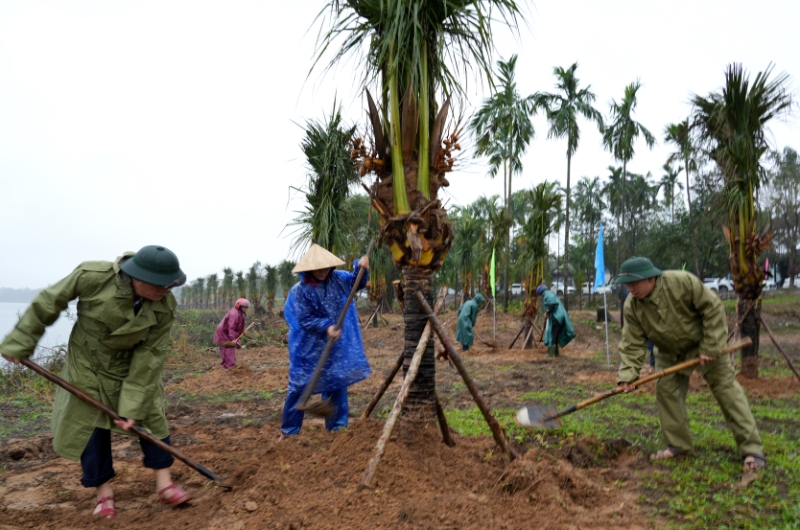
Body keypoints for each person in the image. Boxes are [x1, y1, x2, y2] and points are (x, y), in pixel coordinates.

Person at [0, 246, 192, 519]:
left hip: (130, 367)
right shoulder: (93, 276)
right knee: (89, 426)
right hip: (88, 363)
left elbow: (150, 356)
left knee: (151, 415)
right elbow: (49, 301)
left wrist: (132, 406)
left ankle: (165, 484)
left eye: (170, 285)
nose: (166, 290)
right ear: (138, 277)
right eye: (161, 285)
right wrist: (20, 341)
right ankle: (103, 493)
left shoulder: (165, 306)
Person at [615, 257, 765, 470]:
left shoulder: (682, 282)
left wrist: (710, 346)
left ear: (651, 278)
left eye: (634, 283)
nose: (630, 289)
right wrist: (627, 377)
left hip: (704, 344)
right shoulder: (632, 306)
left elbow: (712, 308)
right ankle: (679, 447)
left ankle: (752, 450)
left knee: (727, 391)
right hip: (669, 352)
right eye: (627, 284)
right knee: (667, 392)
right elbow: (631, 342)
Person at [279, 244, 372, 440]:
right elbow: (303, 318)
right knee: (299, 387)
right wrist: (326, 326)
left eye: (325, 267)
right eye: (317, 268)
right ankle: (289, 432)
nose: (322, 272)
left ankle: (337, 428)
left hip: (334, 346)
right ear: (309, 269)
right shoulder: (300, 290)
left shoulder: (339, 280)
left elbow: (357, 282)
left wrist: (361, 267)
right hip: (308, 347)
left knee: (336, 382)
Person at [536, 284, 575, 357]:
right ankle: (556, 353)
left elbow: (552, 304)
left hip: (557, 316)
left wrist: (547, 312)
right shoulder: (550, 293)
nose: (541, 297)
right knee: (555, 334)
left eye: (540, 295)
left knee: (552, 334)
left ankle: (551, 353)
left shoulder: (547, 294)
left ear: (541, 292)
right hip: (560, 316)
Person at [214, 298, 250, 368]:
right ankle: (230, 367)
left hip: (225, 333)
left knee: (226, 351)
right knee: (229, 350)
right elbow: (231, 328)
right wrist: (233, 339)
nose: (245, 309)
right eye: (244, 307)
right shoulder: (235, 314)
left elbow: (239, 326)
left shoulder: (239, 314)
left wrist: (243, 330)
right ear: (239, 306)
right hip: (224, 334)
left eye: (246, 307)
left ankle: (225, 366)